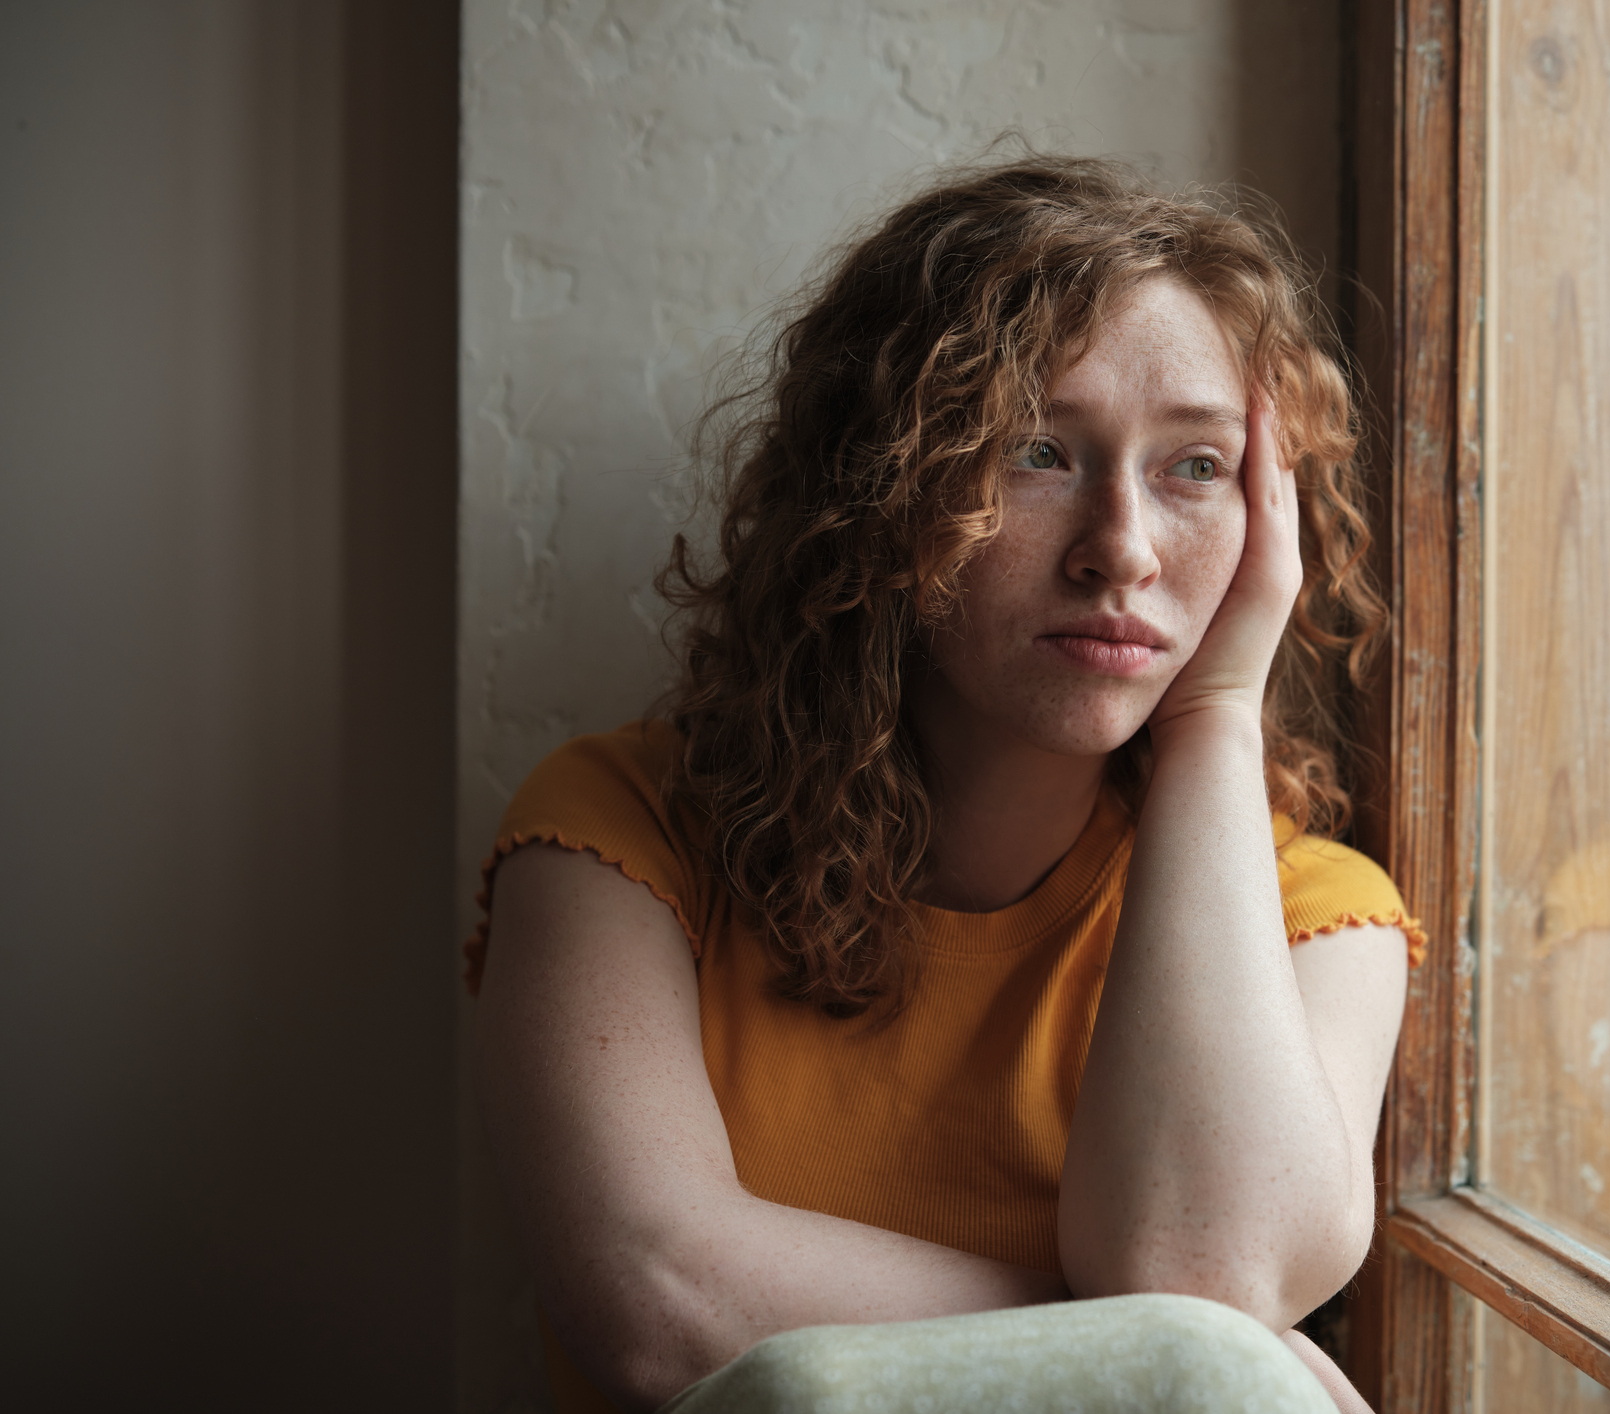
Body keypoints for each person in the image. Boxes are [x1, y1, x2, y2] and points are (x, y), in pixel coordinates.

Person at [467, 155, 1423, 1414]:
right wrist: (1164, 1351)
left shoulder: (1320, 916)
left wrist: (1218, 710)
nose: (1122, 550)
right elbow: (657, 1305)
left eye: (1197, 468)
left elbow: (1204, 1263)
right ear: (880, 489)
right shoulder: (619, 836)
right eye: (1038, 451)